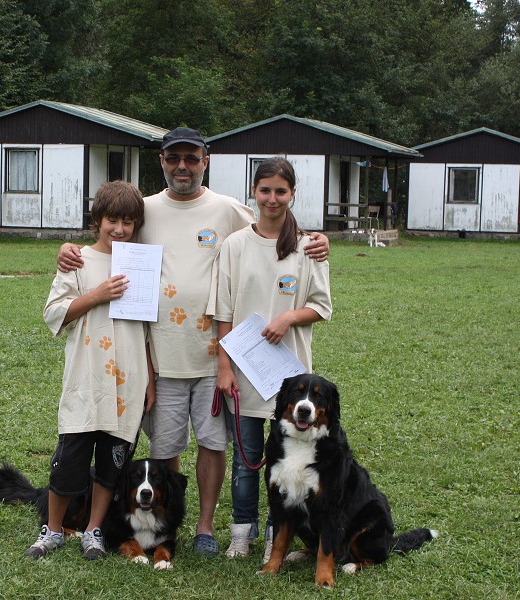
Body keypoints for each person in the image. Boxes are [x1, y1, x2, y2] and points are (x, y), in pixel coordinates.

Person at [57, 127, 330, 557]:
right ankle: (170, 521)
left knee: (212, 443)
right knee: (165, 448)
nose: (182, 166)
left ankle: (205, 527)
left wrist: (317, 239)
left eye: (191, 158)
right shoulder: (143, 210)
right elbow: (108, 236)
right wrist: (69, 249)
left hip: (215, 356)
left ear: (206, 160)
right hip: (160, 356)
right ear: (162, 160)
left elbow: (273, 221)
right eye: (173, 158)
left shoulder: (225, 209)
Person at [213, 157, 332, 561]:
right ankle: (241, 535)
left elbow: (321, 306)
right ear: (255, 193)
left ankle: (274, 537)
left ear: (293, 194)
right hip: (245, 376)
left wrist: (288, 318)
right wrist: (224, 367)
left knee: (284, 466)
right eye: (265, 190)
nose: (272, 198)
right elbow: (223, 312)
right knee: (246, 462)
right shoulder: (234, 246)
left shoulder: (308, 247)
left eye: (281, 191)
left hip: (292, 383)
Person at [29, 180, 155, 560]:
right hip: (86, 379)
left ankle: (93, 531)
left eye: (128, 222)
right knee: (69, 461)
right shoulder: (78, 260)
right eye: (112, 220)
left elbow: (149, 327)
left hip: (129, 381)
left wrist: (150, 378)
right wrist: (96, 296)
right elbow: (54, 313)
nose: (119, 229)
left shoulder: (142, 263)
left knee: (111, 465)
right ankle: (51, 530)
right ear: (97, 220)